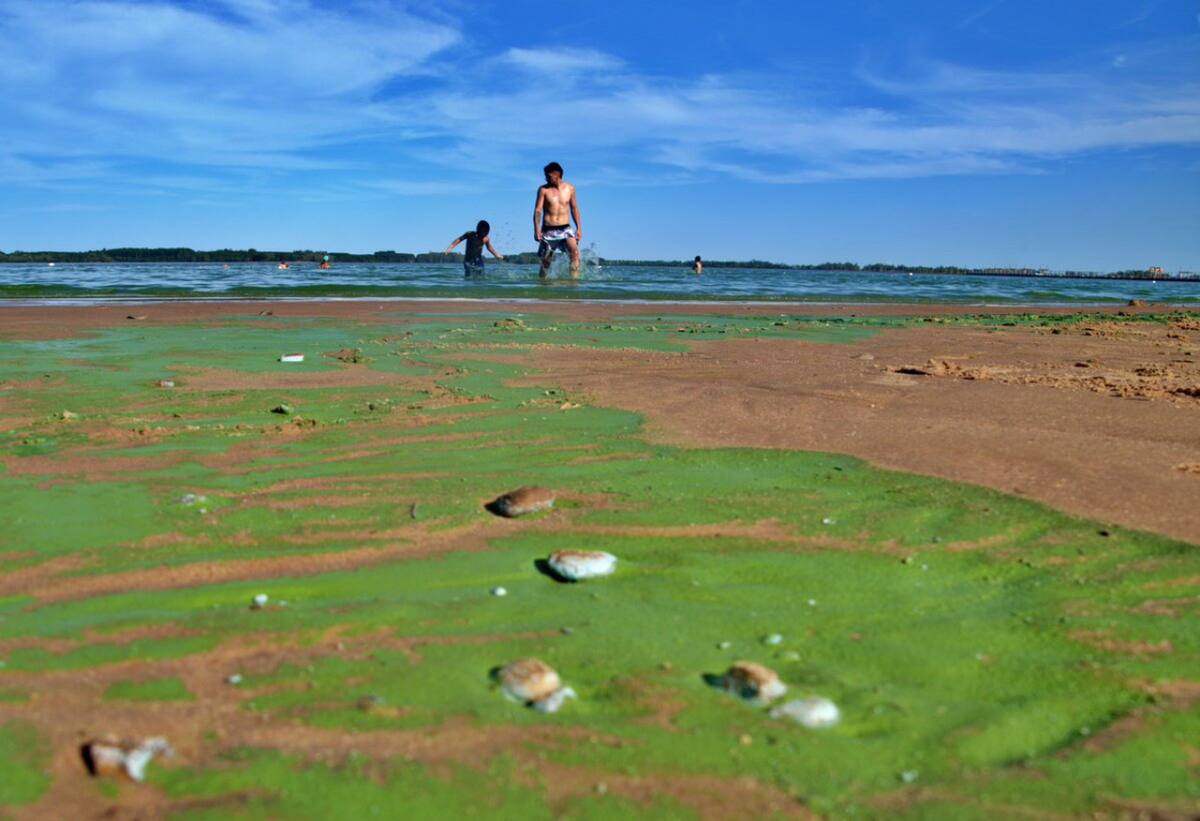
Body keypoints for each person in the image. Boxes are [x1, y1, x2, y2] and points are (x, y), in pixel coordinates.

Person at [533, 162, 582, 279]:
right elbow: (538, 210)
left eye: (548, 176)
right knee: (546, 262)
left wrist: (579, 228)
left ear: (557, 174)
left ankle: (574, 283)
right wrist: (536, 230)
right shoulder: (543, 190)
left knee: (575, 253)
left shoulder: (570, 188)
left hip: (566, 228)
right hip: (548, 230)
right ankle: (542, 285)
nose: (546, 178)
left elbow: (574, 208)